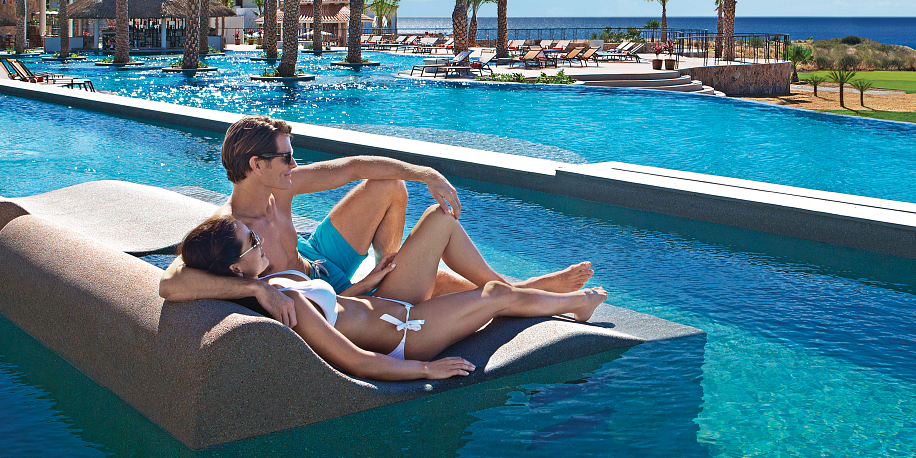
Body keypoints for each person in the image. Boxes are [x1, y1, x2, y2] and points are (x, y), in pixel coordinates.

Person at [158, 115, 594, 327]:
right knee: (439, 274)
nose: (296, 162)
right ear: (256, 164)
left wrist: (427, 174)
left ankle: (395, 266)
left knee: (389, 185)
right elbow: (170, 284)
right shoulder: (227, 225)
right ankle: (521, 287)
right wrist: (253, 287)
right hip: (325, 289)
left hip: (317, 258)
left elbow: (354, 166)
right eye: (288, 156)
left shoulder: (282, 186)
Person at [178, 215, 607, 380]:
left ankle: (533, 288)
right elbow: (355, 360)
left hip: (388, 300)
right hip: (408, 335)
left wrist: (368, 283)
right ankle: (573, 304)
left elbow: (337, 303)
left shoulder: (272, 279)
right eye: (252, 240)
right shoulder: (285, 304)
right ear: (235, 268)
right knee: (492, 296)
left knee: (440, 221)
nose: (260, 238)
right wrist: (425, 367)